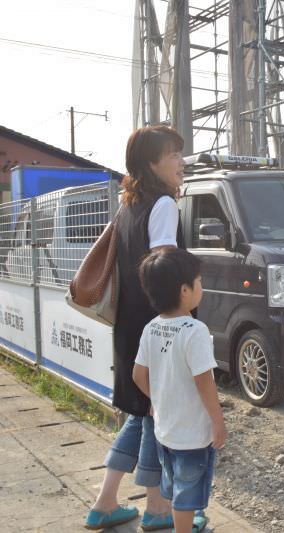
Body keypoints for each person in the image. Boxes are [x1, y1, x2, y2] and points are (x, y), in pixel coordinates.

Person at [85, 125, 186, 530]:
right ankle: (158, 510)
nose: (181, 162)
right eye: (173, 155)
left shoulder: (128, 205)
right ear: (151, 162)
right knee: (155, 418)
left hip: (130, 326)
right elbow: (161, 267)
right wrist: (177, 325)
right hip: (156, 326)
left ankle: (105, 503)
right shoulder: (163, 205)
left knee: (140, 414)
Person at [133, 248, 225, 533]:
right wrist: (217, 420)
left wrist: (156, 398)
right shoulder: (194, 329)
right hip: (192, 436)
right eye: (198, 281)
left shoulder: (151, 328)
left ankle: (182, 524)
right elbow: (204, 381)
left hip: (165, 431)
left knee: (175, 488)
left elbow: (137, 375)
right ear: (185, 290)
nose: (201, 286)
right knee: (188, 494)